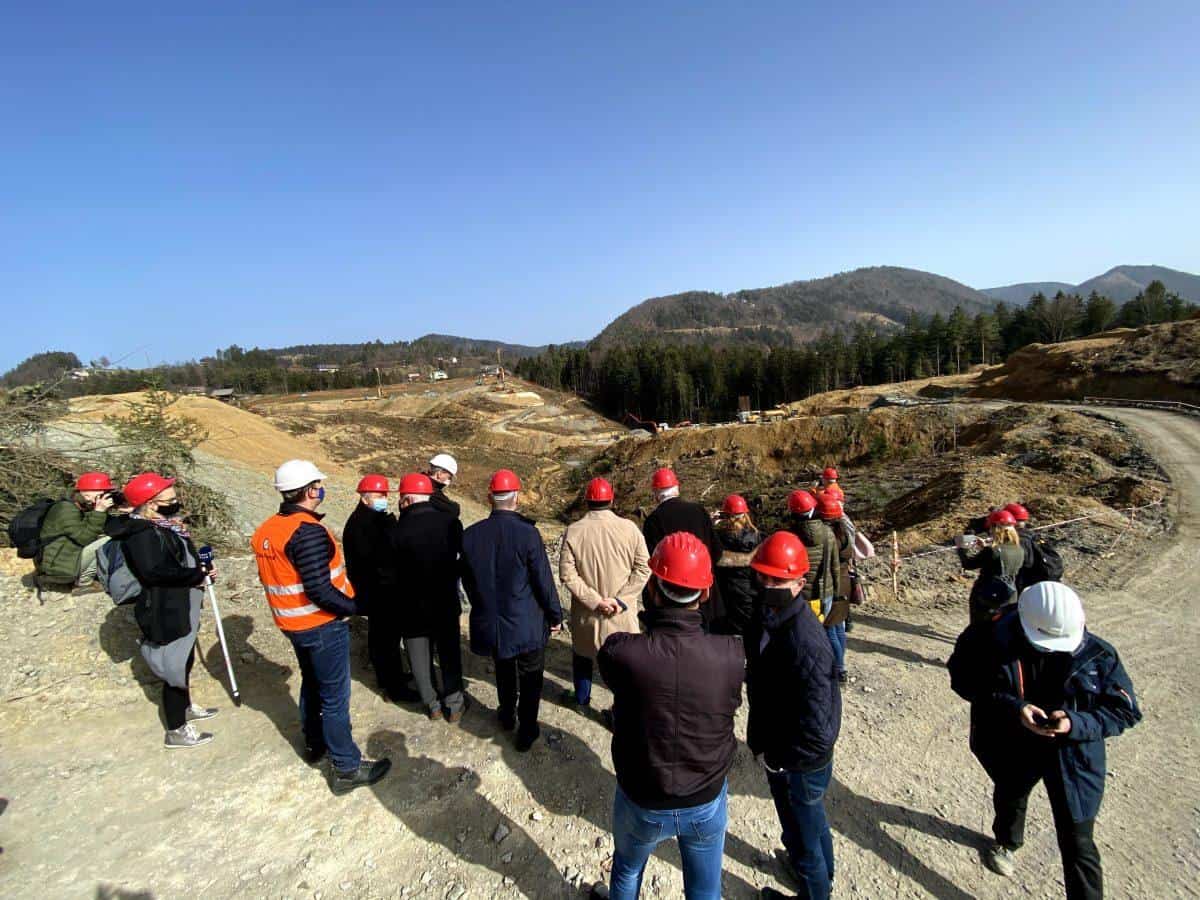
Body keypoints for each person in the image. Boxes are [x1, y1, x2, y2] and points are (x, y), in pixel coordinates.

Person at [947, 582, 1140, 899]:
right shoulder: (986, 638)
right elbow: (964, 680)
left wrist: (1075, 723)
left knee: (1078, 839)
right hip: (1014, 740)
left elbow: (1125, 711)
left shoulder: (1099, 655)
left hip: (1073, 753)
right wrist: (1015, 708)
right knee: (1011, 792)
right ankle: (1007, 842)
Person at [595, 532, 744, 900]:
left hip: (643, 796)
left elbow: (613, 663)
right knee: (705, 888)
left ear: (653, 590)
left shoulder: (623, 653)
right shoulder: (730, 655)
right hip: (706, 795)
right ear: (705, 594)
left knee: (627, 870)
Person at [251, 459, 391, 795]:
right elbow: (318, 587)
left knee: (312, 684)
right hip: (321, 625)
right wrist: (354, 608)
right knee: (334, 697)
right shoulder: (307, 531)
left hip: (292, 623)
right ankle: (346, 766)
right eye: (317, 485)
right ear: (312, 490)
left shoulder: (268, 529)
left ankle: (314, 743)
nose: (320, 489)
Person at [745, 531, 842, 900]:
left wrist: (782, 759)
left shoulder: (807, 639)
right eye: (763, 577)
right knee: (809, 821)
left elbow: (817, 727)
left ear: (801, 583)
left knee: (804, 823)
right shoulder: (769, 615)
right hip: (782, 746)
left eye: (777, 580)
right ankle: (817, 872)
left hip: (800, 757)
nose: (768, 585)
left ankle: (815, 890)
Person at [104, 473, 216, 748]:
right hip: (164, 607)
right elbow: (154, 572)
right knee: (174, 667)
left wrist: (198, 571)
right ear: (151, 504)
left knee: (184, 658)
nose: (176, 503)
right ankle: (176, 730)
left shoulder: (160, 526)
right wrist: (195, 575)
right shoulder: (142, 534)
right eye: (171, 499)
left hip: (178, 601)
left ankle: (184, 708)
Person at [460, 469, 563, 751]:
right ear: (516, 498)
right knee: (531, 677)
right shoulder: (528, 534)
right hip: (526, 623)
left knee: (504, 668)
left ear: (489, 498)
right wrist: (555, 616)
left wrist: (483, 605)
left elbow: (468, 582)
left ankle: (506, 715)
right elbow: (543, 581)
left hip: (491, 624)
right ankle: (527, 730)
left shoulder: (470, 536)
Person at [558, 477, 650, 717]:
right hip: (621, 614)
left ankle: (581, 698)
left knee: (582, 657)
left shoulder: (574, 531)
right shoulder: (630, 528)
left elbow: (567, 574)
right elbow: (644, 568)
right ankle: (621, 711)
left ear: (587, 500)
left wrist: (595, 601)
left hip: (588, 615)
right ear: (611, 499)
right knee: (624, 666)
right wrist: (619, 600)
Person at [389, 473, 466, 722]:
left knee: (419, 657)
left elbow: (389, 572)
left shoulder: (395, 531)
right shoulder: (451, 524)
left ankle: (431, 704)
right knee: (450, 654)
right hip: (444, 601)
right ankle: (454, 705)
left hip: (410, 606)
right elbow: (460, 561)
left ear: (407, 499)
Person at [342, 474, 416, 702]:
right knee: (386, 641)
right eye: (379, 494)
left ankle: (391, 678)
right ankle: (393, 687)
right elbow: (378, 561)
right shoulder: (363, 525)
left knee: (384, 638)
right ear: (364, 498)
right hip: (380, 592)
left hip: (377, 591)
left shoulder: (371, 519)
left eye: (385, 494)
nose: (384, 498)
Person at [641, 468, 723, 629]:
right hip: (705, 596)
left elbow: (652, 563)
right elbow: (717, 551)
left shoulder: (653, 520)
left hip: (671, 602)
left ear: (656, 493)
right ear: (677, 488)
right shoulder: (699, 511)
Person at [36, 471, 115, 588]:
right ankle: (84, 582)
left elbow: (90, 525)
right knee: (108, 540)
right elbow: (84, 538)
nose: (105, 497)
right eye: (102, 494)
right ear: (87, 494)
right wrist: (99, 511)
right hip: (57, 566)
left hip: (64, 556)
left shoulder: (77, 505)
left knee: (110, 534)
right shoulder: (65, 509)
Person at [957, 508, 1026, 625]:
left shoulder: (992, 551)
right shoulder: (1019, 550)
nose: (989, 531)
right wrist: (985, 548)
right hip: (1010, 595)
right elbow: (998, 561)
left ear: (996, 529)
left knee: (979, 629)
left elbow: (968, 564)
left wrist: (961, 548)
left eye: (990, 528)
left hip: (987, 595)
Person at [711, 493, 763, 637]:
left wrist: (711, 523)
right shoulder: (757, 536)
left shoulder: (720, 537)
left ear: (725, 515)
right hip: (751, 592)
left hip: (727, 593)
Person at [784, 490, 837, 621]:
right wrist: (836, 592)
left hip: (799, 594)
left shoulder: (789, 536)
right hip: (824, 592)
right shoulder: (828, 532)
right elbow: (835, 567)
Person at [817, 496, 853, 684]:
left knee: (830, 627)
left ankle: (839, 668)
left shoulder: (828, 537)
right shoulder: (845, 531)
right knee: (839, 627)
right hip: (845, 580)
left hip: (833, 582)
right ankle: (841, 665)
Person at [427, 452, 461, 518]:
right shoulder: (431, 490)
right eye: (449, 477)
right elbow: (453, 510)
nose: (449, 481)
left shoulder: (419, 481)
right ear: (439, 474)